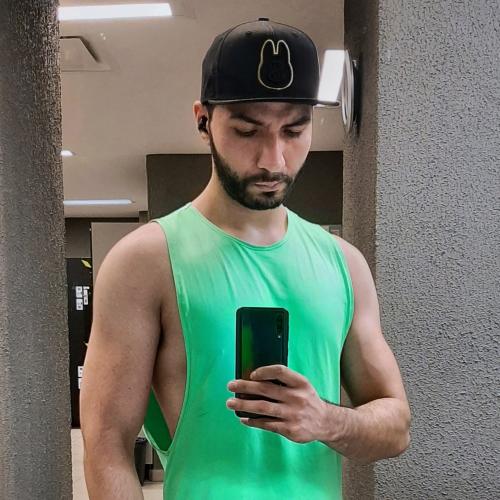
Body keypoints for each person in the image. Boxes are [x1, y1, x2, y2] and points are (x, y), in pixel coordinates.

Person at [80, 18, 411, 500]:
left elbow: (396, 426)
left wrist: (325, 419)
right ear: (203, 121)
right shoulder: (145, 261)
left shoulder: (345, 264)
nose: (273, 159)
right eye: (247, 130)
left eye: (294, 130)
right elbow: (106, 447)